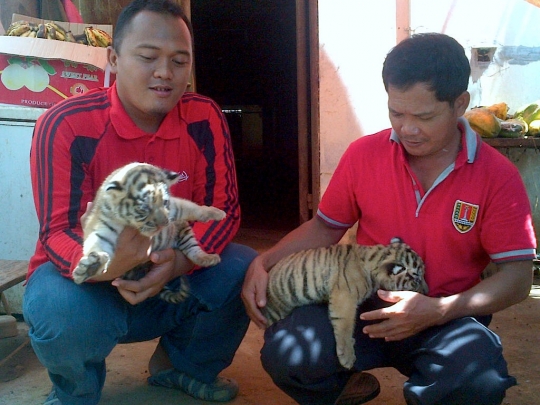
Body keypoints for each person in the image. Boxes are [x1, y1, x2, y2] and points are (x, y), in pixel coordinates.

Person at [242, 32, 536, 405]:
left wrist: (442, 309)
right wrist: (262, 261)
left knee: (478, 380)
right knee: (288, 352)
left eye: (424, 116)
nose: (407, 129)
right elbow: (325, 227)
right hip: (364, 304)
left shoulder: (497, 176)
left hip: (445, 314)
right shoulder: (364, 155)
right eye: (396, 112)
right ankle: (345, 390)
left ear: (459, 103)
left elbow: (517, 277)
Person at [24, 1, 257, 404]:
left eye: (179, 61)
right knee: (57, 308)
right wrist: (111, 265)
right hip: (88, 286)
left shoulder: (204, 118)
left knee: (242, 267)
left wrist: (176, 264)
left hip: (169, 278)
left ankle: (182, 367)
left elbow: (223, 211)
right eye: (148, 57)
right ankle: (76, 392)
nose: (165, 73)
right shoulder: (65, 124)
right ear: (114, 59)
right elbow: (57, 231)